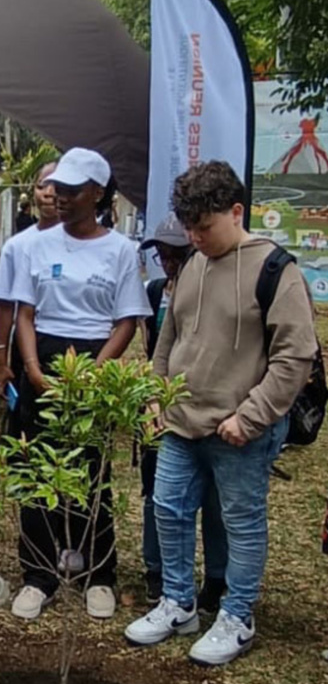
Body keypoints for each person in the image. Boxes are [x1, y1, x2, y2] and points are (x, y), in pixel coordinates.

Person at [125, 161, 317, 665]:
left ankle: (237, 616)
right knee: (167, 509)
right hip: (180, 423)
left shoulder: (277, 269)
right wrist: (156, 397)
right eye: (189, 227)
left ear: (236, 211)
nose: (195, 237)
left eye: (204, 227)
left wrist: (251, 417)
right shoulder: (193, 264)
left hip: (240, 431)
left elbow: (295, 355)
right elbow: (168, 339)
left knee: (240, 521)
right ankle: (178, 602)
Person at [10, 147, 152, 620]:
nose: (60, 197)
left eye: (72, 191)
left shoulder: (121, 250)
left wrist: (91, 373)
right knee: (37, 471)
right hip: (43, 360)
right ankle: (38, 574)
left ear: (98, 193)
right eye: (57, 189)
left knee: (92, 472)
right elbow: (25, 313)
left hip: (94, 361)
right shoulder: (36, 245)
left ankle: (99, 574)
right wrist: (32, 369)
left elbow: (127, 322)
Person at [138, 212, 227, 608]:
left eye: (178, 254)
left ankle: (216, 579)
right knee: (158, 493)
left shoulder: (214, 293)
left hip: (207, 410)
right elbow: (153, 348)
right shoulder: (156, 291)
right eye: (163, 255)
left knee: (213, 498)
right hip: (164, 409)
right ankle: (157, 572)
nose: (170, 263)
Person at [0, 161, 59, 416]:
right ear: (34, 190)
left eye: (58, 186)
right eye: (43, 185)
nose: (49, 193)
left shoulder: (85, 243)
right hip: (26, 344)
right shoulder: (17, 246)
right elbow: (7, 307)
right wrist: (2, 360)